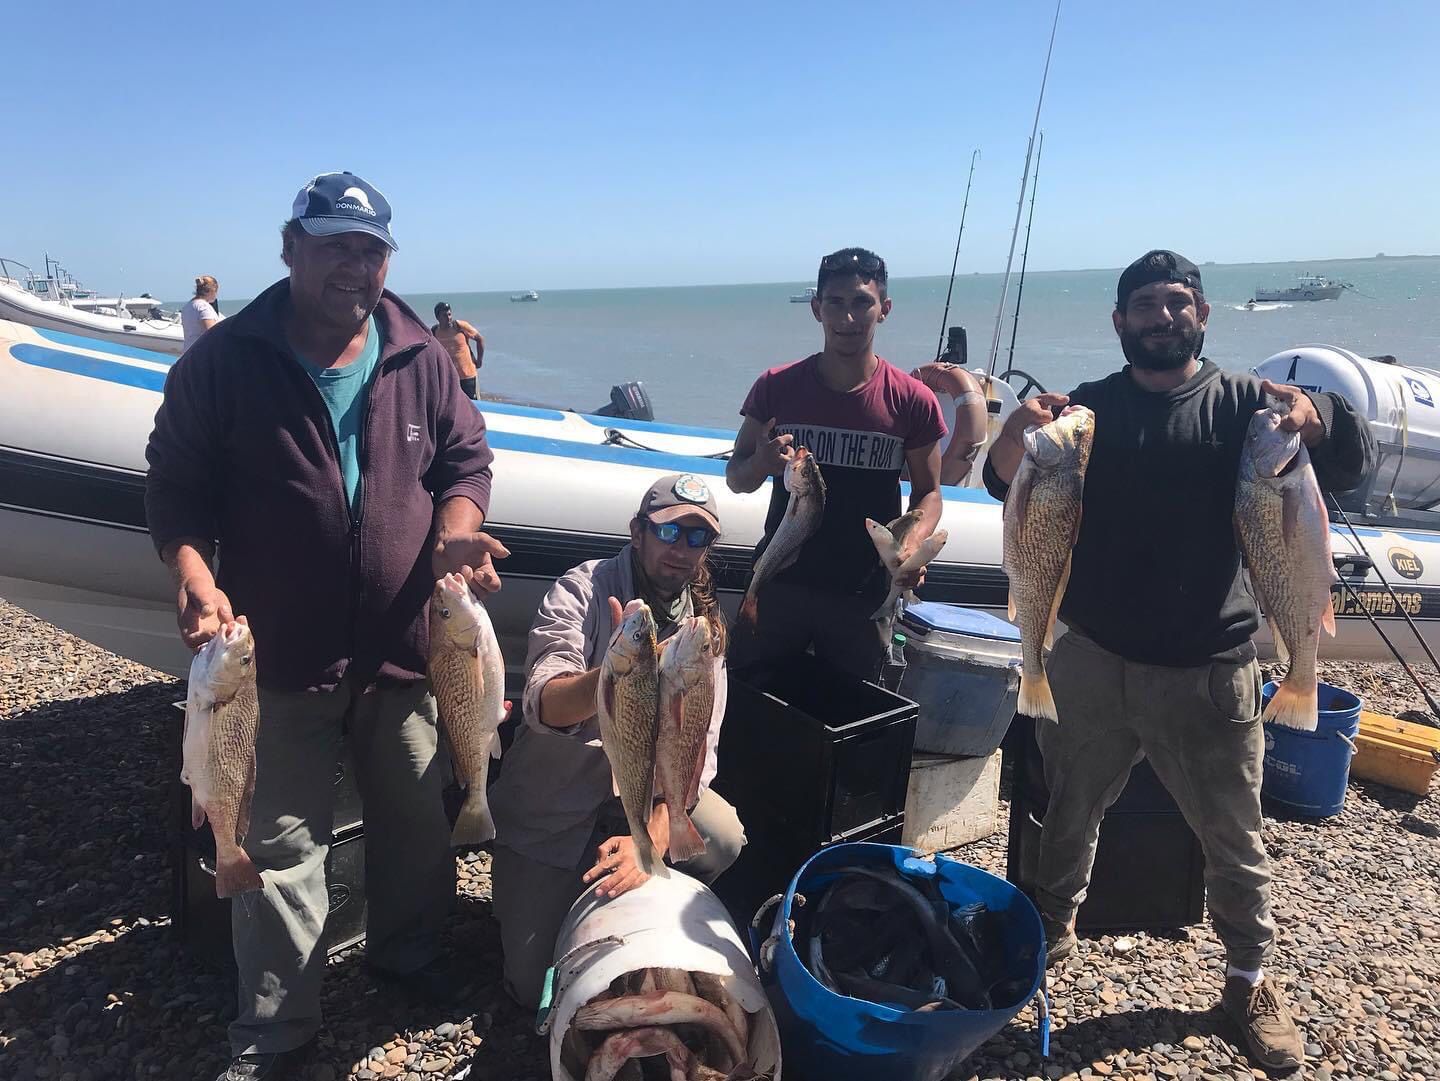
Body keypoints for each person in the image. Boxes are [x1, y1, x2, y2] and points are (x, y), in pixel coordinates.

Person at [145, 171, 508, 1081]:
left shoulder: (421, 356)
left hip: (403, 644)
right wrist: (191, 572)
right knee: (278, 844)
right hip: (276, 653)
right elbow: (174, 485)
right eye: (336, 243)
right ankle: (275, 1032)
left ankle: (410, 956)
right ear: (289, 247)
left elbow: (467, 458)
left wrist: (458, 531)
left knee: (418, 818)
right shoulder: (223, 362)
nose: (356, 264)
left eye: (372, 249)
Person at [983, 250, 1376, 1073]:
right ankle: (1048, 934)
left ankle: (1248, 980)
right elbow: (1003, 484)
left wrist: (1319, 413)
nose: (1162, 318)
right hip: (1089, 655)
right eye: (1145, 306)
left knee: (1234, 834)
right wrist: (1016, 431)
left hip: (1210, 665)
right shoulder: (1085, 409)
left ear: (1202, 314)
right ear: (1119, 320)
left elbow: (1348, 457)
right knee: (1068, 810)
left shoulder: (1245, 404)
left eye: (1177, 303)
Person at [487, 473, 744, 1009]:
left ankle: (637, 881)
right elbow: (541, 704)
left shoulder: (704, 626)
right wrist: (611, 677)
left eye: (697, 539)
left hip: (646, 798)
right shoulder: (582, 589)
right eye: (669, 532)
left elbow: (702, 749)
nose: (682, 551)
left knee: (721, 835)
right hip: (555, 803)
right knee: (532, 986)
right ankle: (544, 888)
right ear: (637, 531)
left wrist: (650, 837)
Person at [725, 247, 948, 679]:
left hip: (862, 598)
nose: (848, 318)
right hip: (779, 585)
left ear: (884, 309)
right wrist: (762, 465)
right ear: (816, 309)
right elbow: (736, 478)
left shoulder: (912, 400)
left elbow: (929, 491)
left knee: (849, 727)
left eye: (862, 302)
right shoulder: (776, 387)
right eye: (835, 303)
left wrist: (911, 546)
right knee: (751, 717)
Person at [431, 301, 485, 399]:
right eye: (444, 315)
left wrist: (479, 361)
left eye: (449, 314)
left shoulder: (460, 326)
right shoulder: (435, 332)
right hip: (450, 378)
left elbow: (480, 339)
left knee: (474, 407)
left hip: (468, 376)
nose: (448, 318)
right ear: (437, 317)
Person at [182, 275, 222, 350]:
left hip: (188, 351)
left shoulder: (188, 306)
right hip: (201, 353)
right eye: (216, 291)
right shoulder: (203, 307)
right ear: (212, 290)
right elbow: (211, 333)